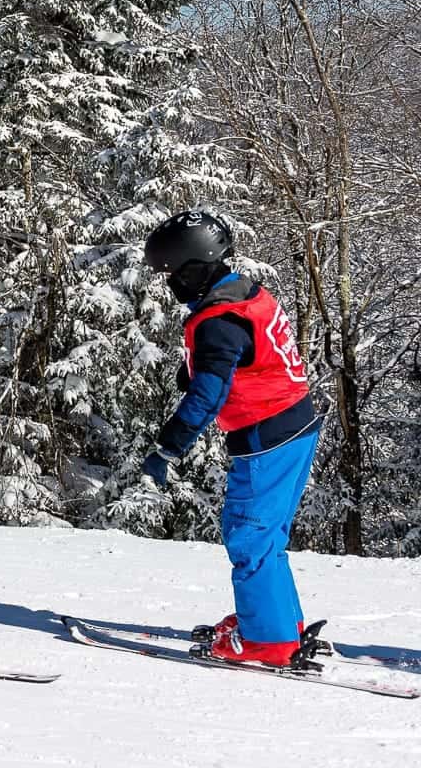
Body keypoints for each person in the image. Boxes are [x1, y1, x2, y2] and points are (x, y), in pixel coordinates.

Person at [139, 210, 321, 668]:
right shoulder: (242, 293)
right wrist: (199, 365)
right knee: (266, 537)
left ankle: (269, 643)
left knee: (249, 535)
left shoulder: (219, 321)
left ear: (195, 268)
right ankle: (279, 623)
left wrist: (168, 448)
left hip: (268, 435)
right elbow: (241, 357)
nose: (170, 285)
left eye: (173, 275)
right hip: (294, 424)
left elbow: (208, 395)